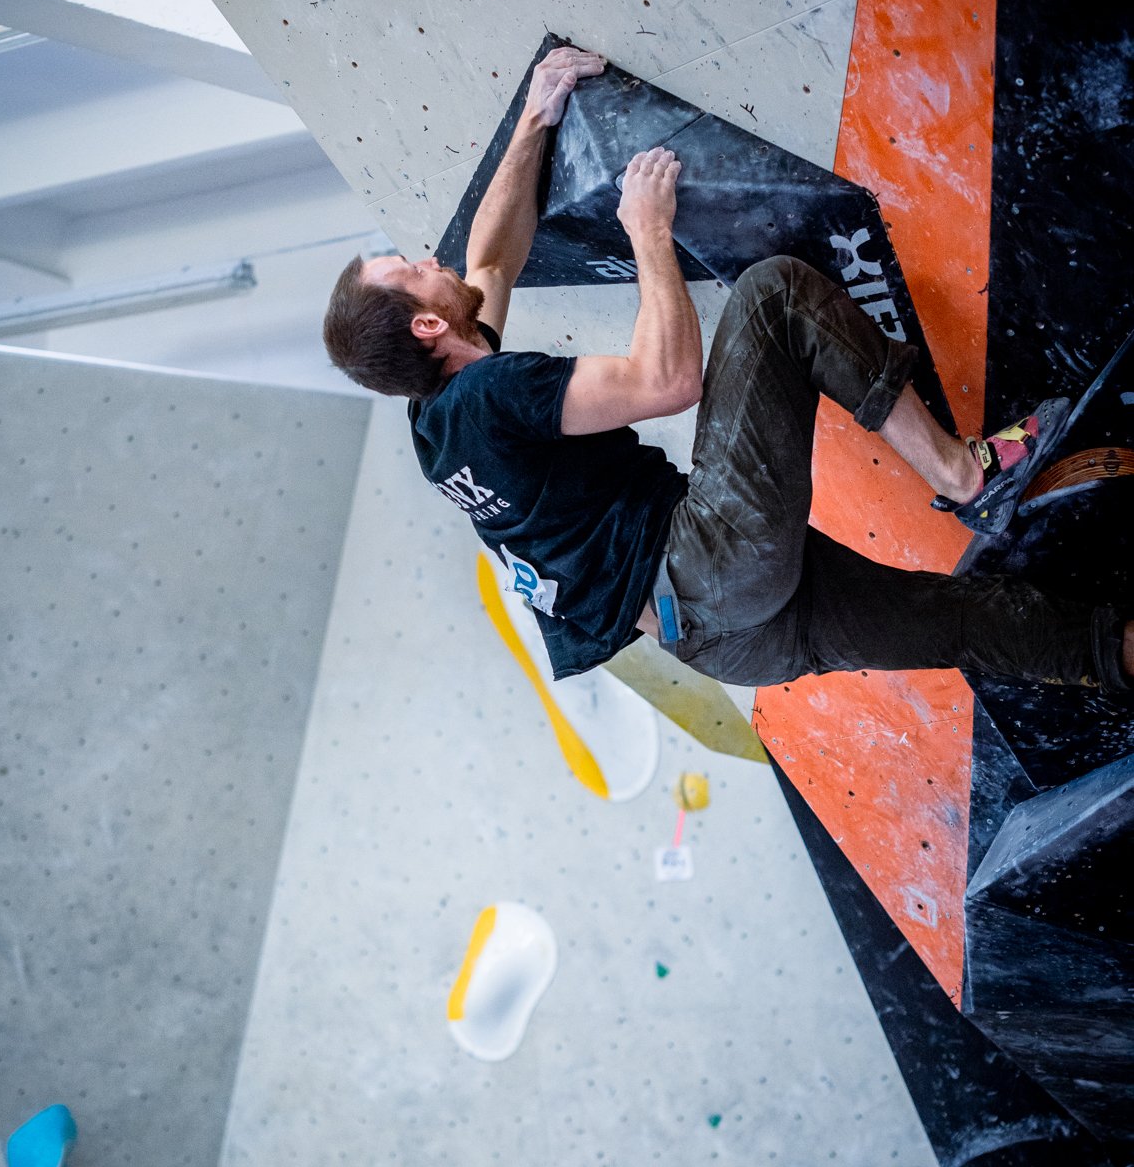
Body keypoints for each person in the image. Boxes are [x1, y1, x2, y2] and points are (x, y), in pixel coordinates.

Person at [322, 43, 1133, 694]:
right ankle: (961, 475)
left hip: (721, 644)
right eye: (410, 269)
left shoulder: (438, 422)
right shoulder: (493, 391)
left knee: (963, 619)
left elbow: (491, 261)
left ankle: (1117, 651)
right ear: (427, 324)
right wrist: (647, 229)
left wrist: (536, 116)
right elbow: (667, 382)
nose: (428, 257)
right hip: (709, 565)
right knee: (773, 296)